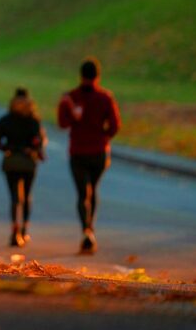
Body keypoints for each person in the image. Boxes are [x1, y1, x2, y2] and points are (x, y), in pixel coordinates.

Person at [57, 57, 121, 255]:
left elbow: (62, 123)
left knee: (82, 193)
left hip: (78, 152)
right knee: (93, 189)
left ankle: (86, 231)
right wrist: (104, 137)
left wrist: (71, 113)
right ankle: (90, 229)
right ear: (98, 76)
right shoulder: (105, 97)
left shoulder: (71, 97)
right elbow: (115, 125)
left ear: (81, 75)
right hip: (100, 152)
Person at [0, 87, 47, 248]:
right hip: (29, 163)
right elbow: (39, 143)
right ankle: (24, 230)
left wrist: (9, 148)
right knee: (27, 196)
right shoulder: (34, 121)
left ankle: (14, 230)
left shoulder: (4, 120)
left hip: (11, 162)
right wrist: (30, 150)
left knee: (14, 198)